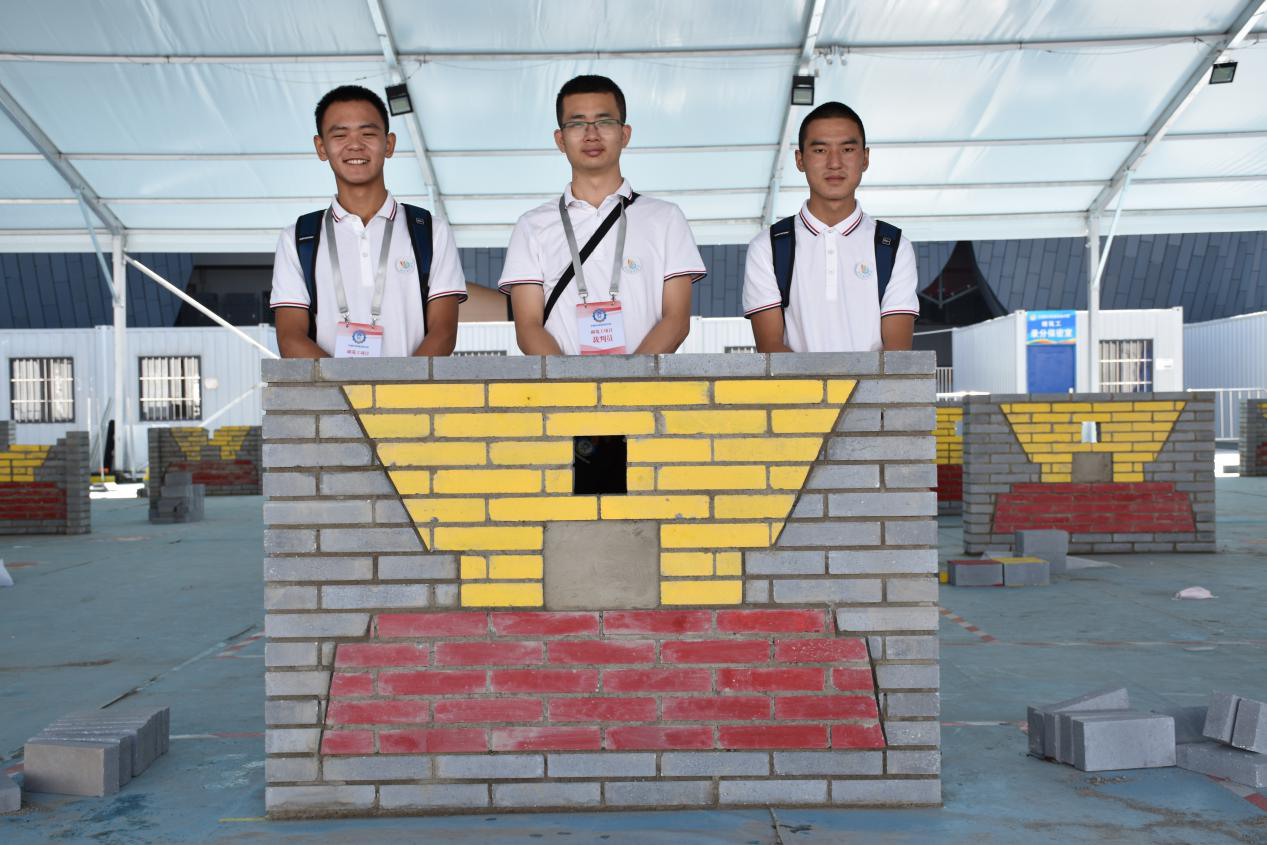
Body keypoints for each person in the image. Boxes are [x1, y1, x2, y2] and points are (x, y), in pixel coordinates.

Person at [498, 75, 706, 355]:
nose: (591, 134)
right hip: (564, 384)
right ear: (560, 140)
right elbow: (527, 327)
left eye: (604, 122)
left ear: (625, 134)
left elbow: (677, 321)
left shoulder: (666, 219)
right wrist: (571, 382)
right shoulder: (531, 226)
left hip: (643, 383)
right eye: (577, 124)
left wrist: (630, 379)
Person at [270, 85, 466, 358]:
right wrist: (352, 388)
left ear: (389, 144)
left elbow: (443, 332)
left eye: (368, 133)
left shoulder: (431, 231)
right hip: (333, 391)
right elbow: (290, 338)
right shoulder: (298, 238)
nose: (355, 145)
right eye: (340, 135)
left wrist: (398, 387)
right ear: (321, 147)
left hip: (410, 388)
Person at [742, 101, 918, 353]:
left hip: (871, 386)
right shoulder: (768, 247)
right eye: (820, 150)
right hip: (799, 385)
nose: (834, 163)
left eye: (847, 149)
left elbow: (897, 354)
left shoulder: (893, 246)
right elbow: (771, 348)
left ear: (865, 158)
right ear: (800, 160)